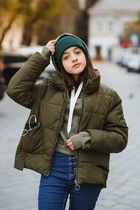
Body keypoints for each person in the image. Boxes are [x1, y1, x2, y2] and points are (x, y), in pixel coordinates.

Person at [6, 33, 128, 210]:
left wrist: (86, 138)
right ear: (59, 64)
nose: (74, 59)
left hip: (88, 169)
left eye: (77, 52)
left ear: (85, 54)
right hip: (54, 168)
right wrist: (43, 57)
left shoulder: (108, 96)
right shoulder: (46, 90)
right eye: (66, 56)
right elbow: (15, 89)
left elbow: (120, 138)